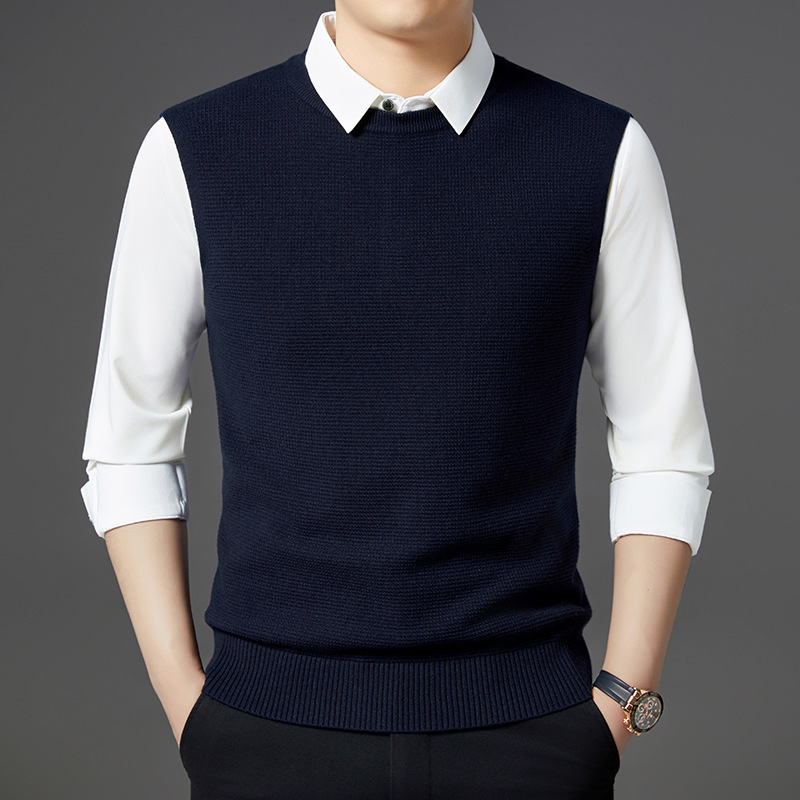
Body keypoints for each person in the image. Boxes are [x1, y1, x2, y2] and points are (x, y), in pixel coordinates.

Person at [79, 2, 714, 798]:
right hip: (263, 735)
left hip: (532, 736)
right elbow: (129, 442)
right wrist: (186, 703)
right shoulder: (194, 149)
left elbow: (664, 448)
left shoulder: (601, 150)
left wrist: (620, 704)